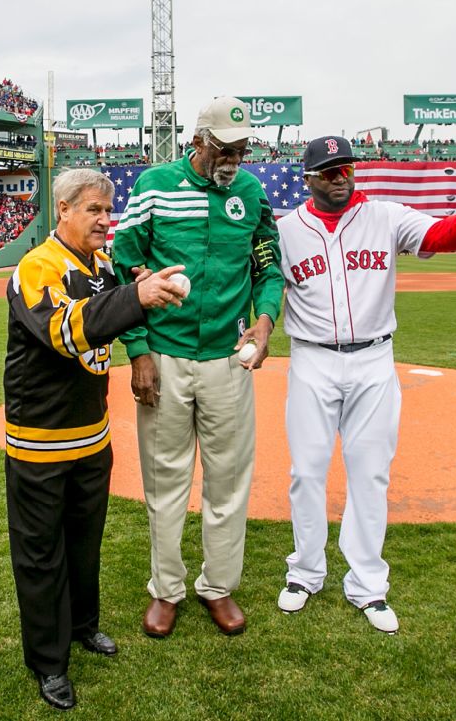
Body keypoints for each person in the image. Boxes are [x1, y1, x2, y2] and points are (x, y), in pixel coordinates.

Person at [273, 136, 456, 634]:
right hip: (311, 360)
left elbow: (441, 236)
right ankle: (306, 573)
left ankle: (367, 585)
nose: (340, 176)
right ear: (308, 178)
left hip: (375, 359)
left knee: (370, 473)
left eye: (346, 167)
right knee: (307, 471)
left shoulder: (386, 216)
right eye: (329, 170)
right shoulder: (287, 230)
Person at [3, 169, 186, 710]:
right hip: (41, 441)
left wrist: (139, 291)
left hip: (91, 437)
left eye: (109, 210)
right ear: (62, 209)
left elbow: (112, 307)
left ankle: (83, 626)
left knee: (84, 544)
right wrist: (137, 298)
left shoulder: (102, 266)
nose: (107, 220)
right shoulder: (37, 266)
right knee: (41, 555)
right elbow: (65, 332)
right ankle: (48, 662)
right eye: (93, 210)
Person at [111, 96, 285, 639]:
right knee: (165, 481)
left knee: (229, 480)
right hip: (163, 355)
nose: (235, 158)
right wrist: (137, 350)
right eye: (225, 149)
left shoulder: (251, 193)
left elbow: (267, 265)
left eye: (243, 148)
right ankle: (166, 589)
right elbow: (124, 266)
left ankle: (218, 586)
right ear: (198, 142)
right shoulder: (154, 185)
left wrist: (265, 320)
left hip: (228, 360)